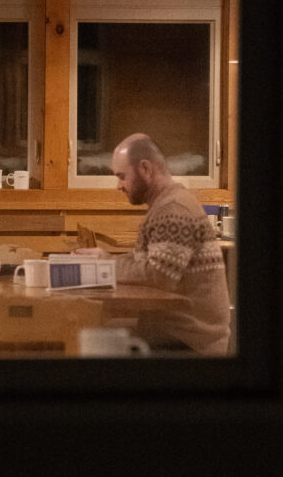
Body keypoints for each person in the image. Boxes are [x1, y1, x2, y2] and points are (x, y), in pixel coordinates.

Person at [76, 133, 231, 356]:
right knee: (90, 339)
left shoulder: (174, 209)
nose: (118, 186)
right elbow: (148, 264)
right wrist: (103, 259)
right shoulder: (166, 204)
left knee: (86, 347)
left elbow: (160, 274)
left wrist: (104, 264)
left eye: (122, 176)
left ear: (145, 169)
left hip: (189, 342)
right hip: (175, 334)